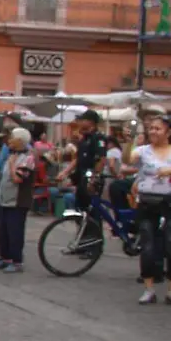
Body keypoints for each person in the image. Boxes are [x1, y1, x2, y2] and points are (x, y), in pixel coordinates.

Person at [123, 115, 171, 307]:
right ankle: (149, 289)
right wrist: (128, 141)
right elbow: (127, 160)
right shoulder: (143, 151)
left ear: (168, 132)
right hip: (147, 204)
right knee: (147, 248)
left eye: (158, 128)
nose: (153, 132)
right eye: (151, 128)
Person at [57, 109, 108, 254]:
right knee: (81, 212)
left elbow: (101, 159)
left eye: (82, 120)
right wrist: (66, 172)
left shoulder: (98, 138)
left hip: (91, 180)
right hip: (81, 178)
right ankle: (82, 241)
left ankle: (94, 245)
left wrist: (94, 178)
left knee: (92, 214)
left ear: (90, 122)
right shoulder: (84, 139)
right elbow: (78, 159)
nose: (79, 122)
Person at [0, 128, 37, 274]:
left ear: (20, 141)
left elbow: (18, 179)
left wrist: (11, 165)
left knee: (14, 231)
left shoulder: (28, 158)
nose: (9, 141)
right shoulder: (12, 155)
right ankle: (5, 258)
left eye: (12, 138)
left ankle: (17, 261)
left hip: (17, 201)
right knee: (1, 230)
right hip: (4, 199)